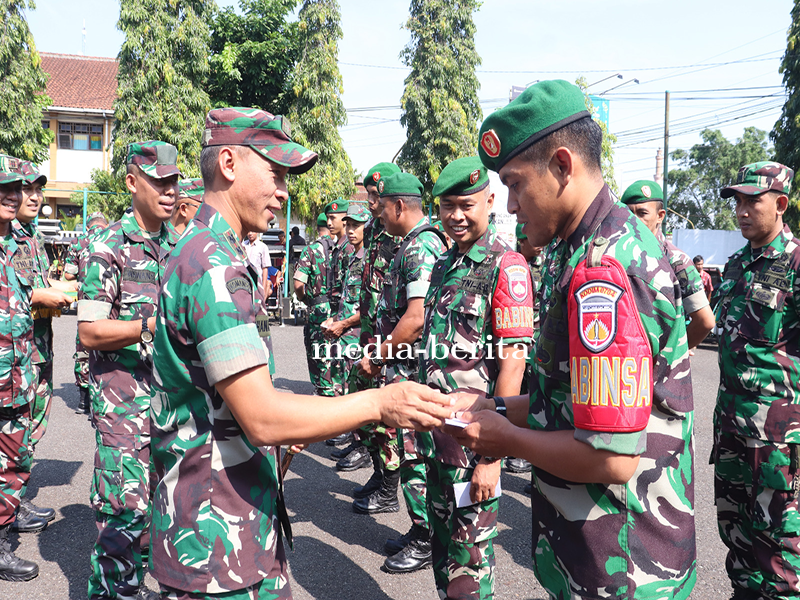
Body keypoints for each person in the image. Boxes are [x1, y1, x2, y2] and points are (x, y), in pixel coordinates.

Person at [148, 106, 455, 600]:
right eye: (275, 173)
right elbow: (263, 418)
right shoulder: (213, 265)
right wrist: (379, 402)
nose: (284, 191)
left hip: (225, 524)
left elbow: (232, 403)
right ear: (228, 163)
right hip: (216, 541)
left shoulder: (208, 251)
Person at [445, 79, 696, 599]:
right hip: (593, 551)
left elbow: (611, 458)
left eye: (515, 184)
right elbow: (570, 400)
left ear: (562, 166)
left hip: (623, 567)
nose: (511, 206)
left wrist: (503, 439)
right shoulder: (577, 247)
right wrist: (493, 405)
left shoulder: (606, 267)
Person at [417, 156, 533, 597]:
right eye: (447, 206)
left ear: (489, 201)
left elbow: (513, 364)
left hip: (474, 447)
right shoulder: (444, 263)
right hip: (435, 440)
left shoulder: (507, 266)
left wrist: (492, 457)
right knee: (442, 552)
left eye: (466, 205)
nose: (456, 216)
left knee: (469, 565)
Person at [78, 141, 179, 600]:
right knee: (124, 512)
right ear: (132, 183)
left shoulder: (180, 246)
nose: (169, 190)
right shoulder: (108, 246)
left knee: (162, 510)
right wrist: (147, 327)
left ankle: (132, 587)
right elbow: (90, 331)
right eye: (158, 181)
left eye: (173, 181)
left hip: (171, 404)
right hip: (124, 405)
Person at [711, 161, 800, 600]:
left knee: (779, 536)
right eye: (738, 202)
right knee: (735, 527)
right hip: (731, 422)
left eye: (753, 201)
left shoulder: (796, 262)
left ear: (780, 204)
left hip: (776, 433)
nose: (742, 211)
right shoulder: (735, 265)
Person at [356, 171, 448, 573]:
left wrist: (378, 357)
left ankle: (427, 538)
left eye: (382, 208)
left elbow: (414, 319)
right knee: (411, 453)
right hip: (406, 367)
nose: (377, 214)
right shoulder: (412, 243)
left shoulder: (420, 247)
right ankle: (420, 528)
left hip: (411, 370)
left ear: (398, 206)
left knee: (414, 455)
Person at [11, 161, 73, 531]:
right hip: (17, 352)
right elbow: (15, 289)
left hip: (39, 344)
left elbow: (34, 282)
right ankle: (10, 508)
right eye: (26, 190)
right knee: (14, 431)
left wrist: (58, 289)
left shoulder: (31, 234)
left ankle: (15, 500)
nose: (34, 197)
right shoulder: (7, 235)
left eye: (38, 190)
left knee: (32, 426)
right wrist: (43, 295)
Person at [334, 164, 402, 481]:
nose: (372, 203)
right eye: (370, 195)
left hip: (392, 340)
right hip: (369, 333)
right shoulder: (374, 230)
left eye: (376, 196)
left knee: (388, 417)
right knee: (363, 397)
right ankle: (374, 465)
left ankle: (387, 485)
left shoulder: (400, 235)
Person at [0, 154, 42, 581]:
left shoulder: (16, 246)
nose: (14, 196)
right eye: (5, 188)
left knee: (13, 461)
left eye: (18, 188)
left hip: (16, 378)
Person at [621, 180, 715, 349]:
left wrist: (673, 353)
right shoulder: (618, 255)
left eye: (642, 213)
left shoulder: (675, 261)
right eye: (629, 213)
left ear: (660, 216)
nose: (634, 220)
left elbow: (705, 321)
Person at [62, 211, 108, 415]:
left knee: (84, 346)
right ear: (104, 223)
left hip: (86, 301)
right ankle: (102, 401)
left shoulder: (79, 242)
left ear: (88, 226)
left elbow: (68, 274)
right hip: (110, 300)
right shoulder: (114, 238)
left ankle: (83, 401)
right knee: (108, 344)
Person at [324, 202, 370, 403]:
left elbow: (371, 307)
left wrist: (343, 324)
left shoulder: (370, 260)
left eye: (356, 226)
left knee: (356, 397)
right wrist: (334, 320)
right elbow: (347, 299)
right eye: (348, 225)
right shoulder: (352, 258)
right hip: (344, 337)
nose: (351, 230)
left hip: (359, 338)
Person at [294, 214, 335, 397]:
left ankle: (322, 388)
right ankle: (334, 386)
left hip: (317, 308)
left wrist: (304, 299)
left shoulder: (310, 251)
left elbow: (298, 284)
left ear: (317, 228)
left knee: (317, 347)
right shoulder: (341, 249)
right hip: (339, 308)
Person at [243, 230, 273, 298]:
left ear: (257, 232)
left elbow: (265, 268)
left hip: (257, 281)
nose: (250, 234)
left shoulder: (263, 247)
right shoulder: (243, 245)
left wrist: (263, 287)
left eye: (252, 231)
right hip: (244, 279)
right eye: (248, 231)